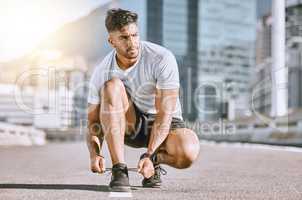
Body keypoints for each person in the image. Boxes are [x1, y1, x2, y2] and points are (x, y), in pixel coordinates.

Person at [86, 8, 200, 192]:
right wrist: (94, 154)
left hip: (166, 123)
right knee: (111, 86)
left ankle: (153, 161)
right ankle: (119, 170)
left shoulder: (162, 58)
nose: (132, 43)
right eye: (124, 38)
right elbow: (92, 122)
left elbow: (164, 114)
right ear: (111, 41)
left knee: (188, 152)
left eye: (134, 35)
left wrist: (149, 154)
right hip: (131, 125)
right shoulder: (102, 70)